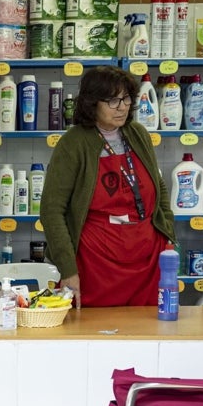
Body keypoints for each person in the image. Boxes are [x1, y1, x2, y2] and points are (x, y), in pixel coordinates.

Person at [39, 66, 176, 308]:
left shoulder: (138, 134)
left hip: (146, 259)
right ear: (92, 103)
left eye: (126, 98)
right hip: (96, 264)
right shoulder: (73, 144)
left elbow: (159, 187)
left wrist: (168, 235)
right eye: (113, 100)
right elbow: (51, 211)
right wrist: (68, 269)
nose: (122, 106)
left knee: (147, 332)